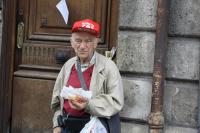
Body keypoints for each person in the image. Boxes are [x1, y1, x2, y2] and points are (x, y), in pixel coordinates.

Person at [51, 19, 124, 133]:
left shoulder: (108, 67)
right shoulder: (68, 66)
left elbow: (116, 101)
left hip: (94, 128)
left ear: (95, 43)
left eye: (88, 41)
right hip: (67, 127)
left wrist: (88, 104)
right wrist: (57, 125)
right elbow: (56, 102)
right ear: (72, 42)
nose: (82, 46)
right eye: (78, 40)